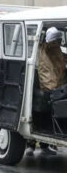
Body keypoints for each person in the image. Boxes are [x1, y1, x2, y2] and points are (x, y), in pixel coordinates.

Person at [25, 27, 65, 156]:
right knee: (39, 114)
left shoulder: (56, 50)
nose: (58, 43)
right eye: (56, 40)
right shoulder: (42, 50)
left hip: (54, 87)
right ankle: (31, 144)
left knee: (48, 114)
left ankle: (44, 145)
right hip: (44, 87)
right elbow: (43, 69)